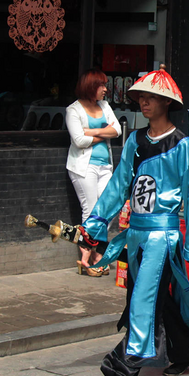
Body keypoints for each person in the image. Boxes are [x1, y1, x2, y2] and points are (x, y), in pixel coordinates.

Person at [82, 69, 189, 376]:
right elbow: (118, 185)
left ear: (167, 102)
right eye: (141, 96)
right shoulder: (135, 141)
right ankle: (183, 350)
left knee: (143, 304)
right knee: (150, 300)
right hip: (135, 236)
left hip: (162, 238)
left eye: (150, 97)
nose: (144, 101)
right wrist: (96, 224)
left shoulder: (183, 146)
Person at [66, 69, 120, 276]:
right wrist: (104, 132)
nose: (106, 89)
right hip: (83, 167)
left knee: (107, 210)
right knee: (90, 211)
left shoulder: (104, 106)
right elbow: (79, 141)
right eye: (102, 85)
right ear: (91, 87)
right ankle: (90, 257)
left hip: (105, 166)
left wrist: (91, 131)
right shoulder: (73, 110)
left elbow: (117, 130)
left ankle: (92, 253)